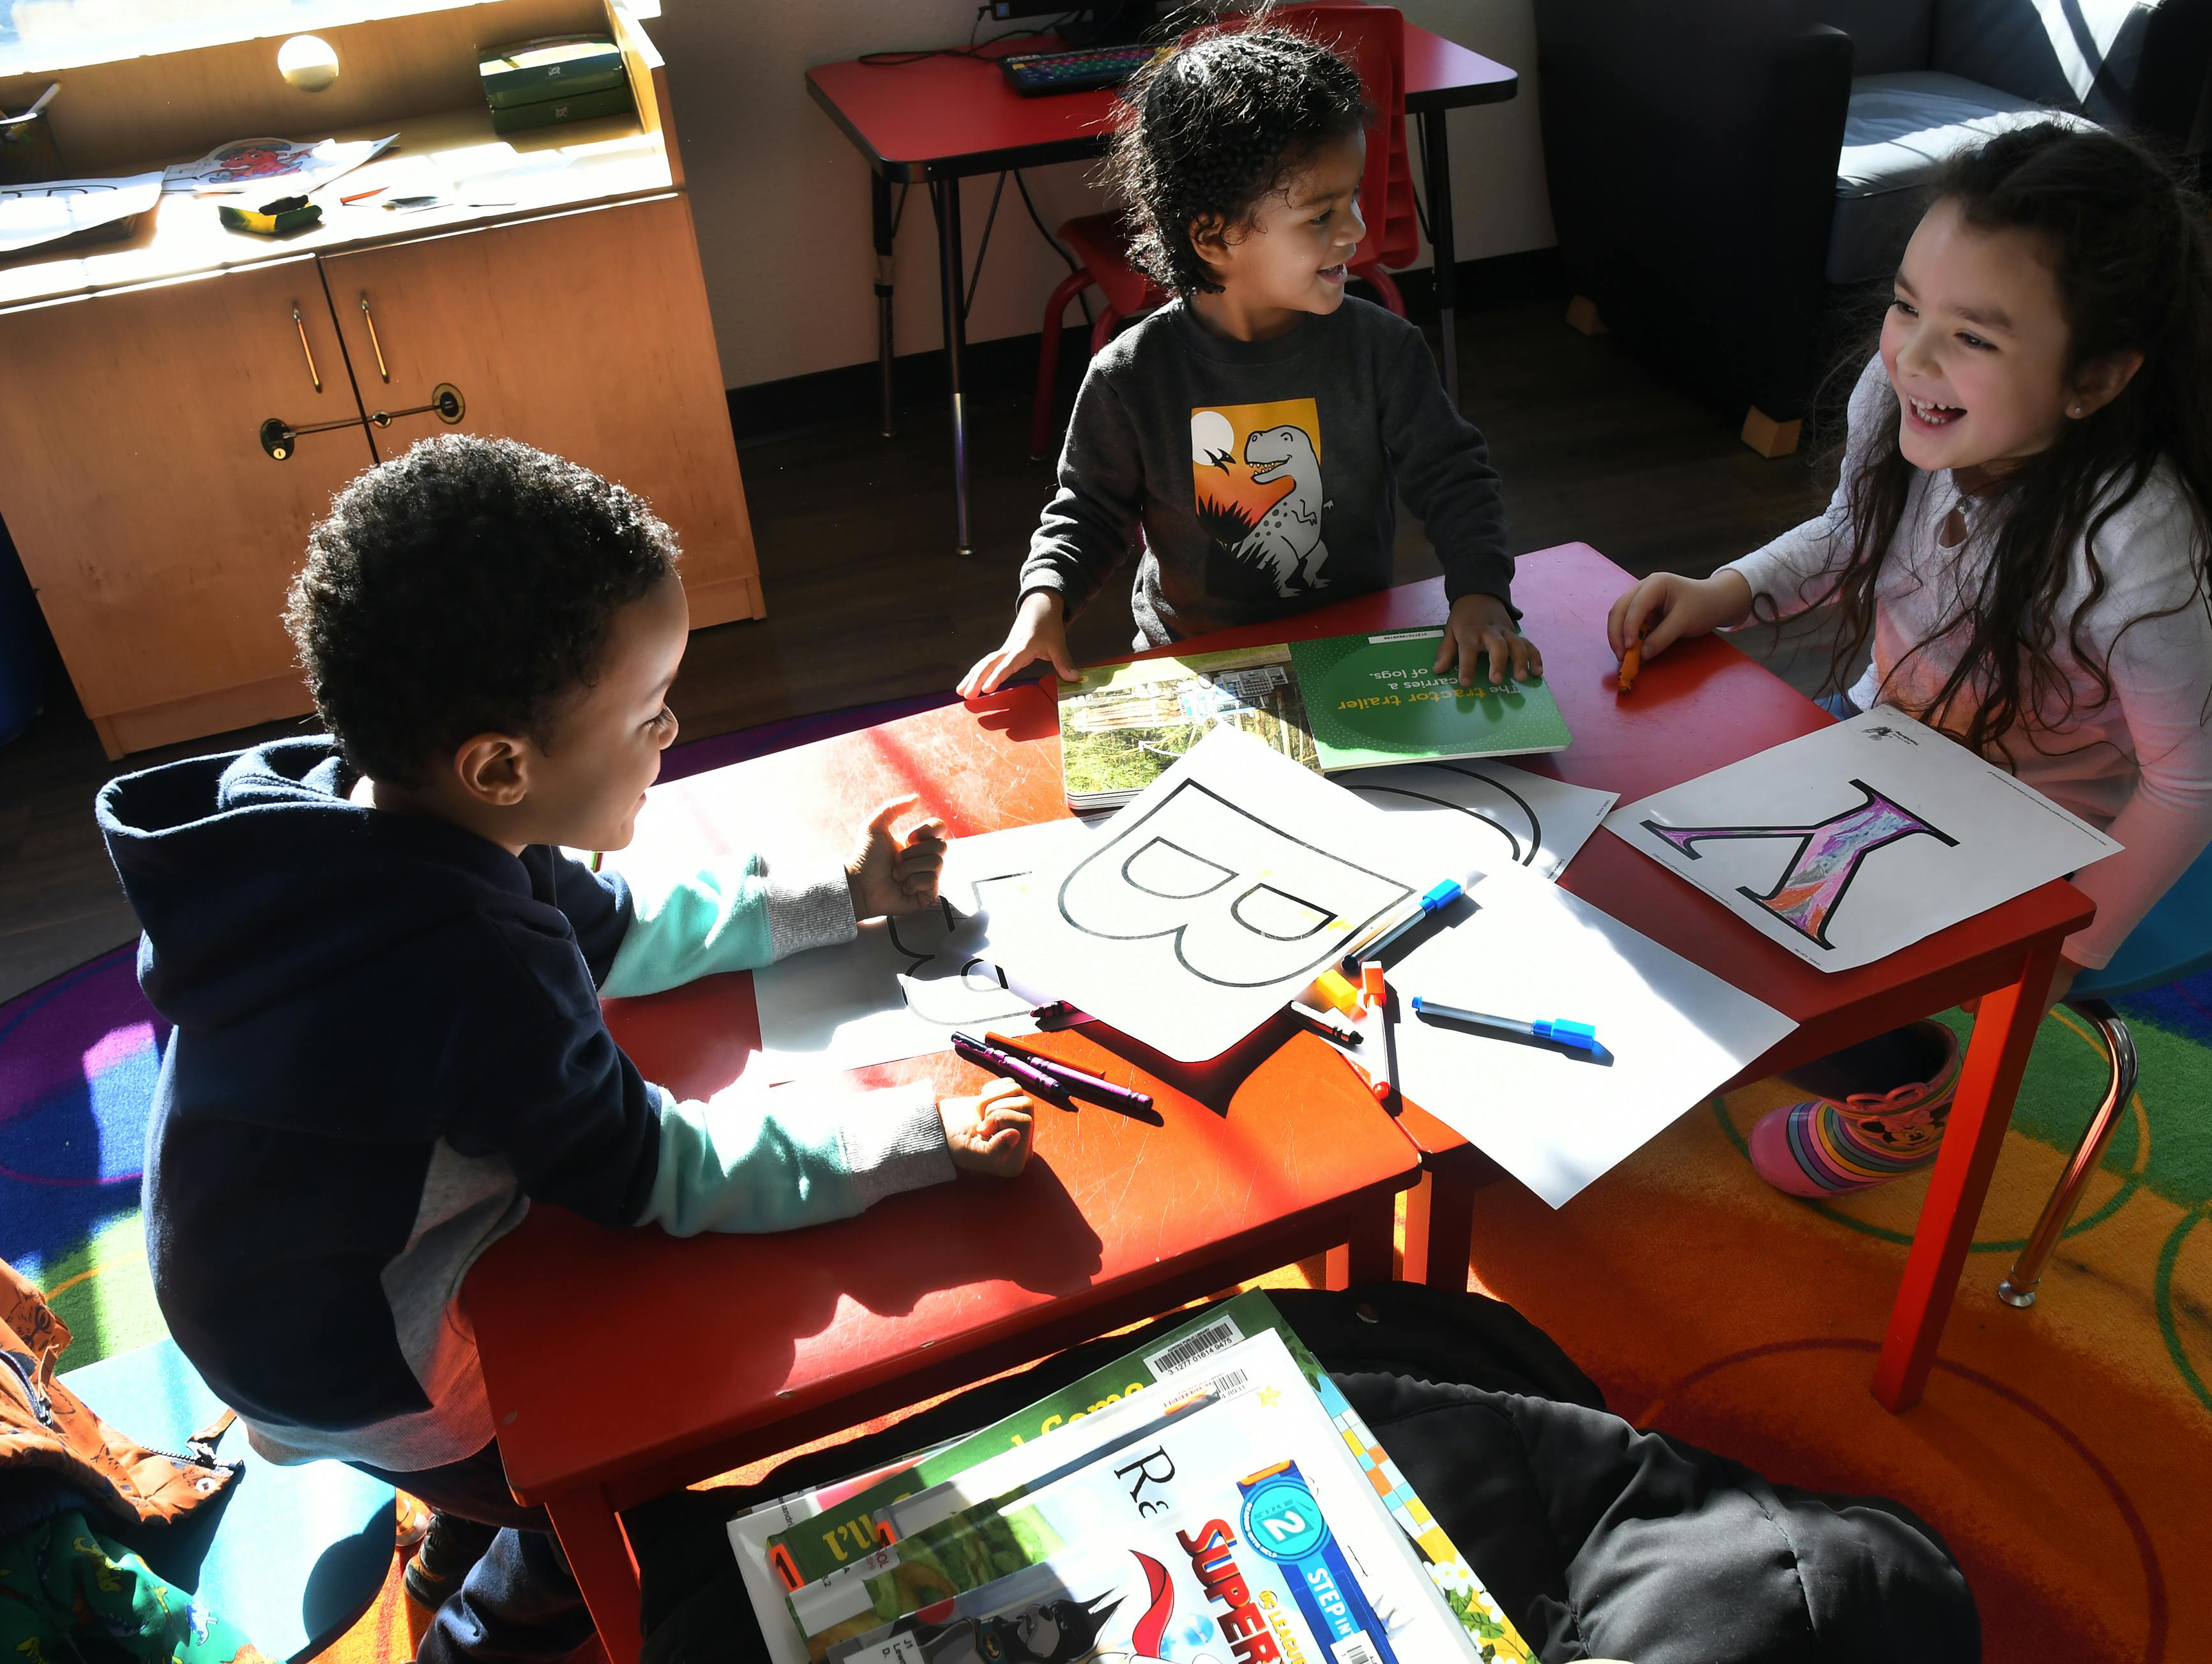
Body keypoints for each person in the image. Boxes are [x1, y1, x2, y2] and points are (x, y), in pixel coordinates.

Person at [95, 436, 1038, 1662]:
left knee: (503, 1415)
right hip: (349, 1347)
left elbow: (615, 927)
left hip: (249, 1264)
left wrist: (835, 893)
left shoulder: (368, 813)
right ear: (501, 766)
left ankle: (450, 1499)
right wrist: (916, 1137)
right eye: (648, 716)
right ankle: (498, 1594)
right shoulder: (464, 965)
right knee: (597, 1485)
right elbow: (653, 1174)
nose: (673, 731)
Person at [1606, 123, 2212, 1199]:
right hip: (1882, 747)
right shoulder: (1903, 401)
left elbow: (2197, 776)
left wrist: (2059, 954)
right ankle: (1873, 1040)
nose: (1911, 356)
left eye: (1972, 337)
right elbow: (1845, 535)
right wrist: (1721, 592)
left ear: (2093, 379)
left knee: (1757, 955)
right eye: (1907, 304)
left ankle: (1913, 1081)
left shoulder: (2133, 543)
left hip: (2029, 832)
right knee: (1642, 872)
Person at [960, 16, 1540, 700]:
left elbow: (1455, 477)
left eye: (1352, 197)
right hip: (1194, 665)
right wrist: (1043, 602)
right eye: (1320, 215)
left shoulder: (1383, 351)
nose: (1356, 230)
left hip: (1349, 653)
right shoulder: (1131, 377)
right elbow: (1088, 510)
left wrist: (1480, 592)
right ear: (1213, 235)